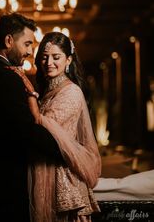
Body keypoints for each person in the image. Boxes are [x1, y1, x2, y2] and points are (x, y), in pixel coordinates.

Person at [0, 13, 63, 222]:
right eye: (27, 44)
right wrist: (63, 150)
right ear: (8, 40)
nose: (30, 52)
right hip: (6, 189)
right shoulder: (4, 77)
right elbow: (26, 130)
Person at [13, 32, 101, 222]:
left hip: (64, 180)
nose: (49, 62)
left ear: (68, 59)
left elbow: (42, 126)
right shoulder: (48, 91)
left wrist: (29, 94)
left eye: (56, 57)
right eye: (44, 57)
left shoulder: (71, 92)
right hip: (45, 169)